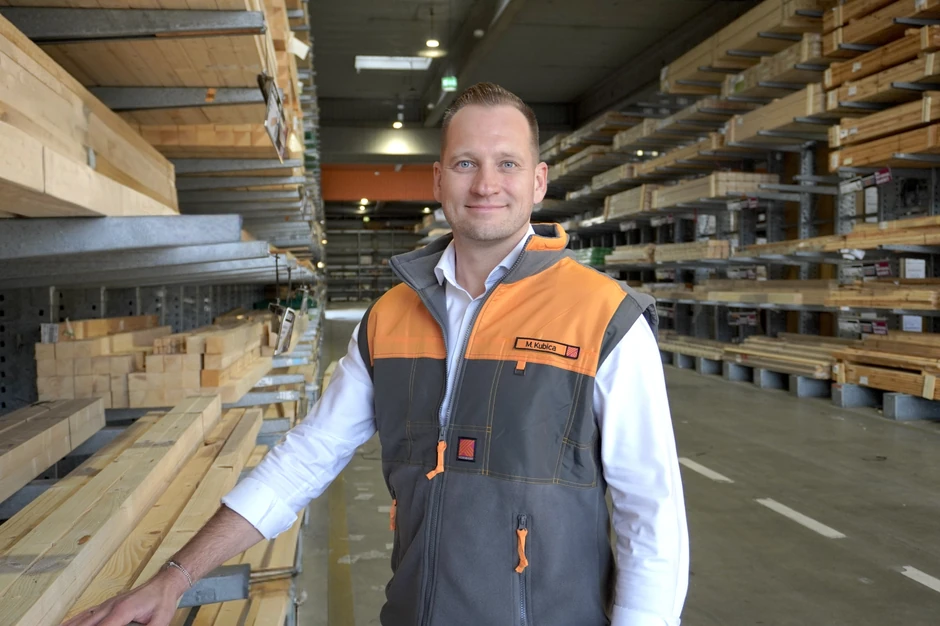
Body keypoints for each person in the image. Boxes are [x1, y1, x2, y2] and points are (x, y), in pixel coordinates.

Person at [65, 82, 689, 626]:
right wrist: (175, 576)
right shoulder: (389, 319)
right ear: (438, 179)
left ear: (538, 180)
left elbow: (651, 514)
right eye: (466, 163)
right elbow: (305, 458)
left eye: (507, 163)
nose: (486, 184)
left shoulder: (604, 317)